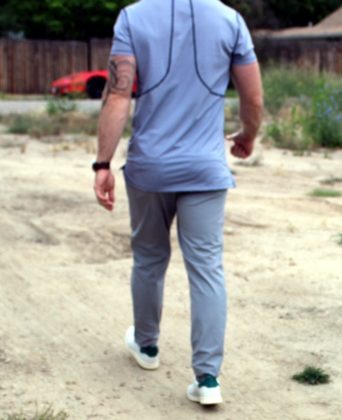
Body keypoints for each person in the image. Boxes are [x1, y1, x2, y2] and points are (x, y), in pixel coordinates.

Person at [92, 0, 263, 406]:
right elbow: (253, 98)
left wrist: (103, 163)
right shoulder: (230, 21)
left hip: (150, 167)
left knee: (149, 258)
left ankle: (146, 345)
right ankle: (208, 378)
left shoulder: (133, 17)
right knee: (206, 267)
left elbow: (118, 94)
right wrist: (247, 135)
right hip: (205, 168)